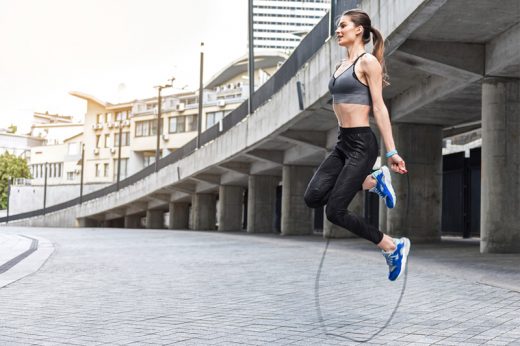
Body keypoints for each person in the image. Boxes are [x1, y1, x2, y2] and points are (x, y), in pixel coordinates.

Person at [303, 9, 410, 281]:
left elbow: (379, 107)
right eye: (338, 26)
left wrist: (392, 152)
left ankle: (391, 245)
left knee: (335, 212)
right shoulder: (340, 65)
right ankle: (373, 183)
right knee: (313, 197)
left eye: (343, 26)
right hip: (343, 144)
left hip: (362, 143)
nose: (338, 31)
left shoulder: (368, 62)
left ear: (359, 30)